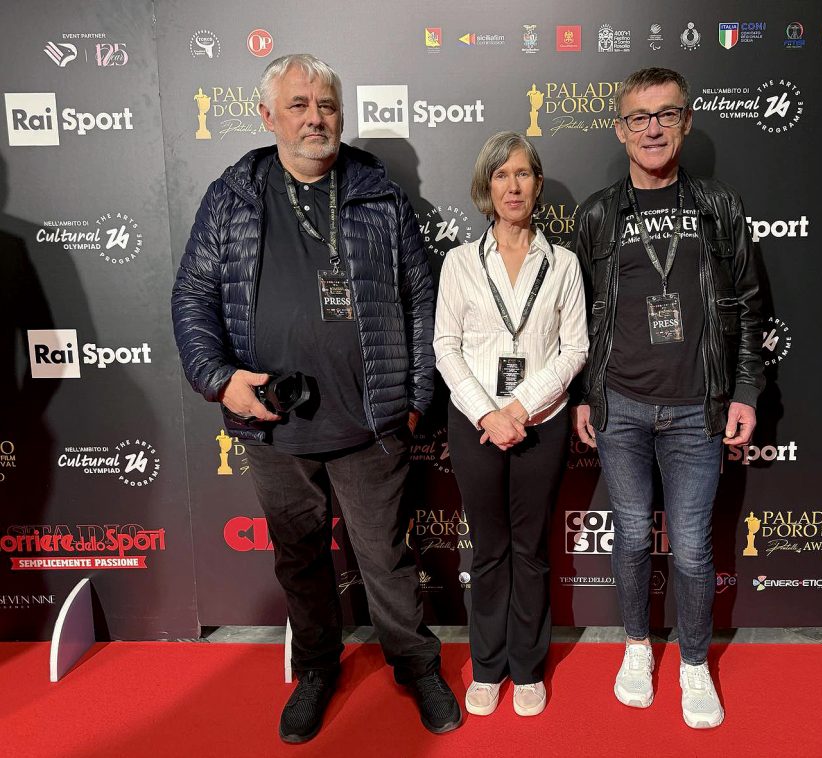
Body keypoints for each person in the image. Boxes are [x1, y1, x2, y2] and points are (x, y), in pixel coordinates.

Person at [171, 53, 461, 743]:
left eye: (326, 104)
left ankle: (416, 665)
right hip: (274, 424)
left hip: (371, 422)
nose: (315, 118)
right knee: (300, 560)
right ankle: (315, 671)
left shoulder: (380, 194)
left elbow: (422, 298)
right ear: (267, 116)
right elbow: (193, 295)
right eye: (298, 105)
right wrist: (219, 379)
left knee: (386, 559)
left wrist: (416, 393)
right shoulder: (232, 197)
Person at [571, 67, 765, 729]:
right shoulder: (597, 214)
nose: (652, 128)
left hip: (696, 409)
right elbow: (578, 316)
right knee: (629, 536)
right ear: (620, 128)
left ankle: (693, 661)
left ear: (685, 122)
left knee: (691, 547)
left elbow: (748, 303)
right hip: (620, 406)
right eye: (639, 116)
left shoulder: (718, 206)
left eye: (666, 114)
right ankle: (635, 647)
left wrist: (745, 389)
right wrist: (584, 393)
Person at [434, 131, 588, 717]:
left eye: (523, 173)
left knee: (530, 548)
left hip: (541, 422)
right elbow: (445, 347)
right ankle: (487, 665)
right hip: (475, 424)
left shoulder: (563, 264)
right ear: (487, 186)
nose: (513, 185)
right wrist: (488, 413)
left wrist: (519, 408)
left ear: (538, 183)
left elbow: (574, 350)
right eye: (501, 175)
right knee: (489, 549)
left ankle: (526, 668)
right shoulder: (458, 263)